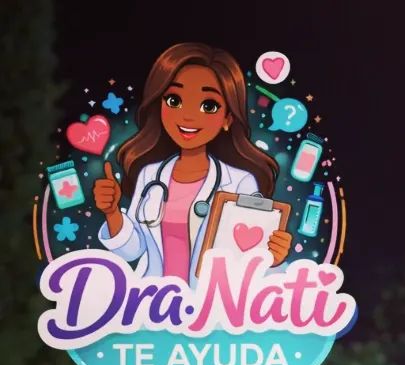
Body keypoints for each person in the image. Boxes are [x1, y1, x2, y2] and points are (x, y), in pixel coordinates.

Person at [93, 42, 291, 288]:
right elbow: (132, 250)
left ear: (227, 119)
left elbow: (246, 256)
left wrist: (272, 257)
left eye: (208, 106)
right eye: (174, 100)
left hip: (208, 303)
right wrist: (112, 212)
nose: (188, 116)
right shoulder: (150, 175)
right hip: (153, 300)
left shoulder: (241, 182)